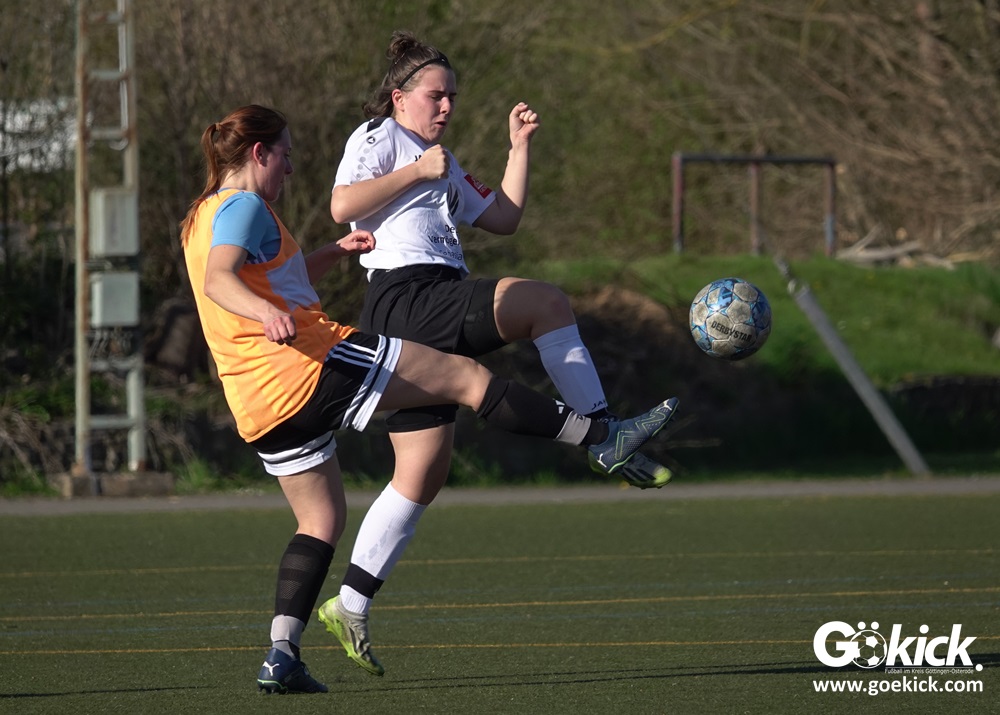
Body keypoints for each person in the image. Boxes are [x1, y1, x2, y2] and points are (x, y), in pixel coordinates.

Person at [179, 104, 677, 694]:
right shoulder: (243, 205)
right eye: (284, 155)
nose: (290, 168)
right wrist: (265, 314)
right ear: (258, 152)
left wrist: (333, 254)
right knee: (463, 377)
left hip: (257, 404)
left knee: (321, 520)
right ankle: (603, 437)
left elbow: (276, 282)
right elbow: (220, 280)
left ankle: (281, 654)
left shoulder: (199, 217)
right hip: (306, 367)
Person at [320, 30, 680, 678]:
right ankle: (606, 433)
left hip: (428, 300)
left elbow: (504, 218)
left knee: (421, 475)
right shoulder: (380, 137)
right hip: (406, 298)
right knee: (544, 301)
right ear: (399, 97)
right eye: (435, 95)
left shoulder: (442, 159)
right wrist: (416, 171)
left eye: (453, 97)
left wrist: (519, 148)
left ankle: (349, 603)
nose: (446, 106)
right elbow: (341, 205)